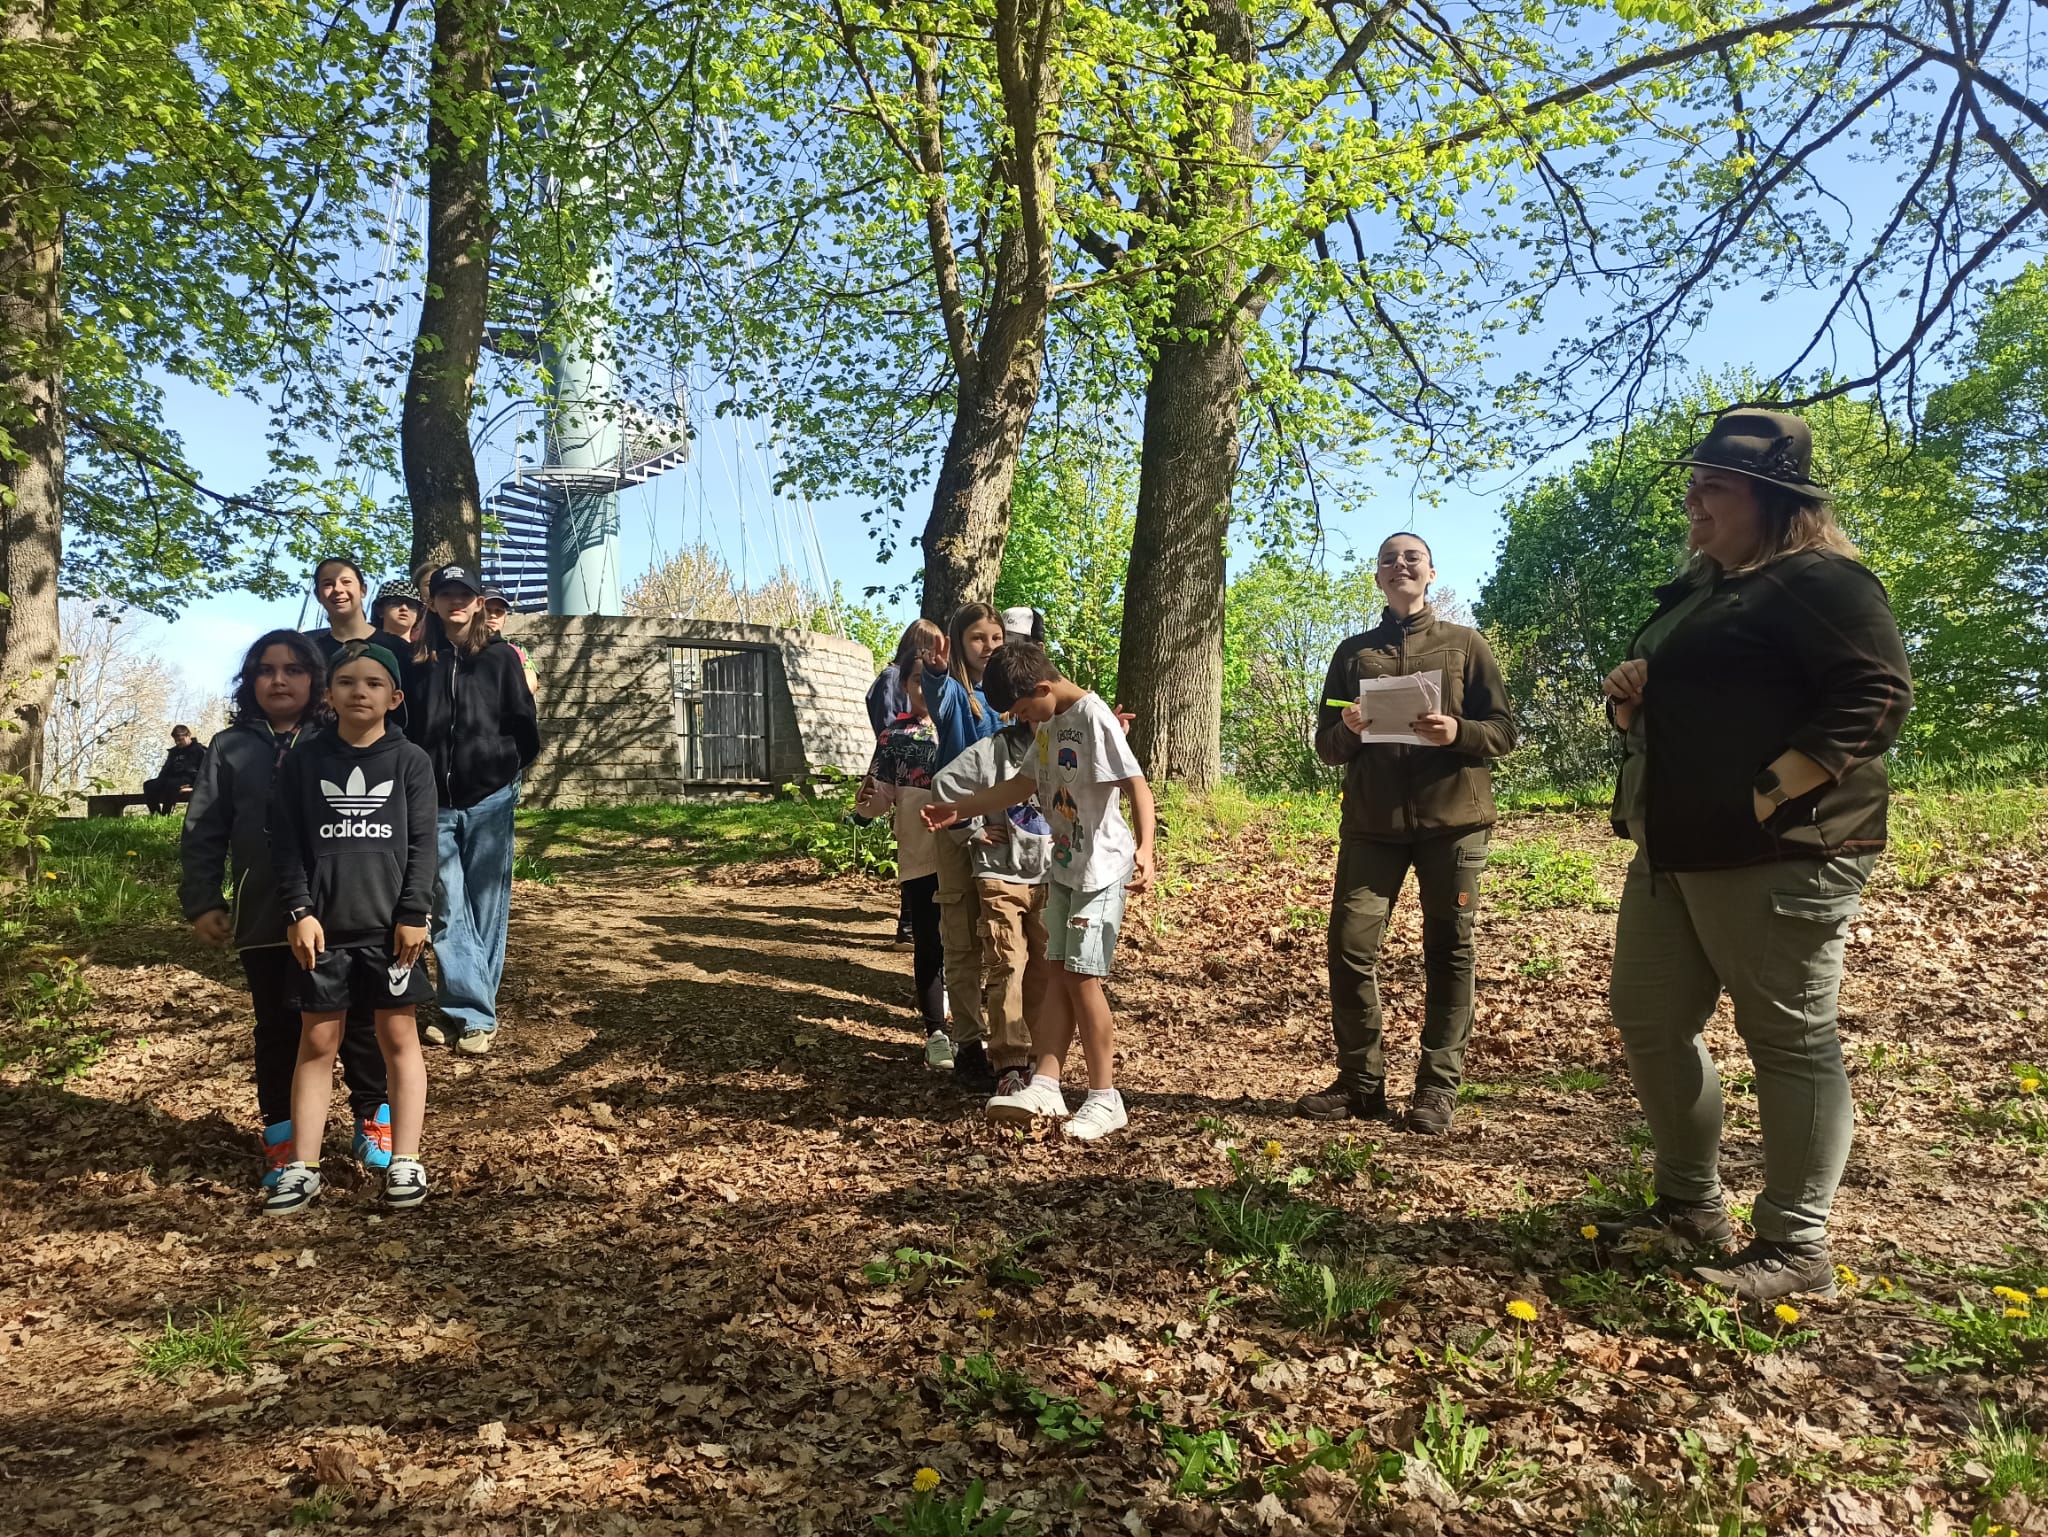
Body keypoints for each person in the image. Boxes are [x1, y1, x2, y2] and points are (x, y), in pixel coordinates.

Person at [1597, 410, 1911, 1302]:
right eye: (1692, 486)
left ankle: (1795, 1244)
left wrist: (1773, 788)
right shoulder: (1701, 590)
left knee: (1788, 1035)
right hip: (1674, 843)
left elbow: (1878, 691)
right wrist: (1629, 697)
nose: (1693, 503)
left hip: (1779, 848)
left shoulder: (1820, 580)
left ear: (1774, 501)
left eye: (1716, 488)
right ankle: (1690, 1208)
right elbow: (1690, 700)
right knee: (1650, 1017)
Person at [1297, 533, 1517, 1136]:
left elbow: (1503, 731)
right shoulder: (1353, 654)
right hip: (1373, 826)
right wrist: (1348, 728)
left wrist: (1458, 732)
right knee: (1349, 947)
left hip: (1455, 823)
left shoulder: (1465, 645)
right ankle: (1360, 1085)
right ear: (1378, 577)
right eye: (1389, 559)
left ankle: (1437, 1088)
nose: (1400, 565)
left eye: (1411, 557)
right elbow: (1326, 747)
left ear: (1431, 572)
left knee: (1449, 949)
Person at [180, 631, 393, 1190]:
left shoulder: (339, 739)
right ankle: (283, 1136)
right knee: (277, 1028)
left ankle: (374, 1121)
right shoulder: (229, 747)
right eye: (266, 670)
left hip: (342, 910)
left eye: (294, 669)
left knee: (359, 1022)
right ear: (250, 681)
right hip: (264, 915)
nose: (279, 680)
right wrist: (203, 900)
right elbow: (204, 829)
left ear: (316, 680)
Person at [924, 641, 1155, 1142]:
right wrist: (959, 810)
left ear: (1044, 688)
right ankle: (1046, 1084)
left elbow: (1137, 784)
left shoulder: (1093, 717)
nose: (1022, 719)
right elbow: (1020, 786)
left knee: (1081, 978)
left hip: (1101, 870)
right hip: (1065, 869)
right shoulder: (1048, 725)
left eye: (1024, 709)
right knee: (1055, 975)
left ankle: (1104, 1097)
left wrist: (1146, 849)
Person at [264, 641, 437, 1215]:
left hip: (391, 934)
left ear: (395, 697)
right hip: (323, 931)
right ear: (328, 694)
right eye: (346, 682)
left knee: (399, 1039)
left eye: (372, 683)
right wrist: (299, 911)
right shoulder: (306, 761)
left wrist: (414, 914)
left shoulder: (410, 760)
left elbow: (423, 846)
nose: (359, 691)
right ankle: (303, 1167)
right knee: (316, 1043)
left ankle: (406, 1159)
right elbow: (285, 843)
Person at [404, 565, 542, 1055]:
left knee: (486, 905)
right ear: (433, 602)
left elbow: (524, 725)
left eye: (464, 594)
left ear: (478, 602)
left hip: (490, 797)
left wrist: (503, 770)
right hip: (433, 802)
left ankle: (461, 1011)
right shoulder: (419, 661)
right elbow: (406, 724)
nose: (455, 602)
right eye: (446, 594)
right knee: (447, 905)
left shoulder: (502, 658)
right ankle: (474, 1012)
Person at [932, 718, 1053, 1102]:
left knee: (1044, 964)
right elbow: (944, 783)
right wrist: (972, 830)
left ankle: (1034, 1054)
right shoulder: (995, 747)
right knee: (999, 960)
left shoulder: (1063, 741)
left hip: (1045, 871)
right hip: (995, 869)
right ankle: (996, 1058)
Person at [918, 604, 1008, 1088]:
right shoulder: (955, 693)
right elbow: (939, 697)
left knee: (1006, 939)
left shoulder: (1012, 697)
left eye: (996, 637)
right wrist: (935, 671)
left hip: (1007, 833)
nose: (989, 646)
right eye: (978, 638)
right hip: (958, 831)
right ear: (959, 644)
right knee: (961, 937)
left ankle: (1010, 1043)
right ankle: (969, 1042)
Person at [854, 670, 946, 1038]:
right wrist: (864, 804)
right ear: (905, 686)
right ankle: (936, 1033)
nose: (926, 689)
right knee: (928, 941)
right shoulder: (893, 737)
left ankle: (965, 1025)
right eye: (917, 680)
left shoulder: (969, 724)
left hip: (968, 852)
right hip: (919, 854)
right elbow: (877, 799)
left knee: (964, 943)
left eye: (935, 679)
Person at [307, 557, 377, 663]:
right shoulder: (309, 652)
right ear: (318, 595)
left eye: (346, 582)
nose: (338, 589)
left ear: (363, 590)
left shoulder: (395, 646)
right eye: (328, 584)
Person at [481, 586, 541, 701]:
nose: (493, 615)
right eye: (487, 610)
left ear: (504, 617)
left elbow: (530, 684)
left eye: (498, 611)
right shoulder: (465, 645)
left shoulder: (516, 647)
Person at [143, 725, 207, 814]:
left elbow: (206, 771)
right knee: (149, 785)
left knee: (171, 784)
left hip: (190, 779)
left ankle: (166, 814)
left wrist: (195, 785)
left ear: (188, 736)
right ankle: (155, 814)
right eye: (176, 740)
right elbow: (166, 770)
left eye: (181, 740)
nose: (178, 742)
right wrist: (159, 782)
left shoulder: (199, 750)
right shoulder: (174, 752)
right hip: (172, 779)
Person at [372, 580, 423, 644]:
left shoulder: (424, 649)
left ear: (418, 615)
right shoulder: (366, 644)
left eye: (411, 605)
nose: (404, 608)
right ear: (380, 610)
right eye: (396, 603)